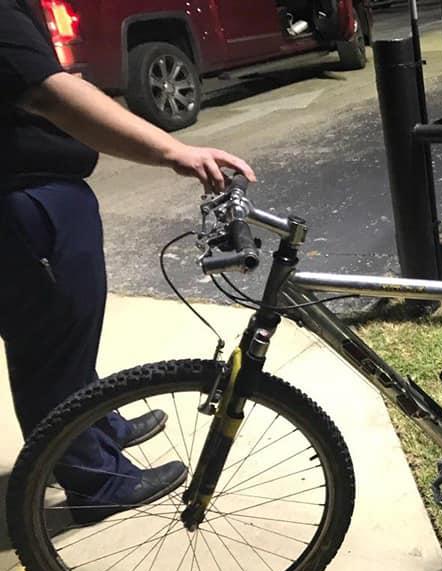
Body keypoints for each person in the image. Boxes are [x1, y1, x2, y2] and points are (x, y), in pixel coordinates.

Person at [1, 0, 256, 524]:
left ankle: (94, 429)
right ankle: (97, 482)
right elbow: (48, 92)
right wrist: (173, 151)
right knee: (48, 353)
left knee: (66, 335)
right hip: (25, 201)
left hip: (34, 194)